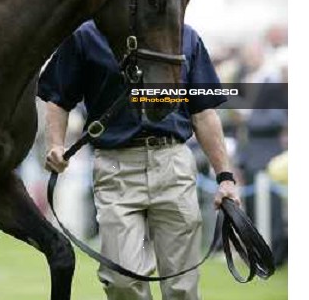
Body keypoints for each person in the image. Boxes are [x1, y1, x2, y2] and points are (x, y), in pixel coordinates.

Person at [38, 19, 240, 300]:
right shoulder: (86, 36)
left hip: (174, 163)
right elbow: (57, 97)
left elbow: (204, 113)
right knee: (121, 280)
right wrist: (56, 145)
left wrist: (225, 177)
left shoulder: (186, 36)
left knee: (182, 286)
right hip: (115, 165)